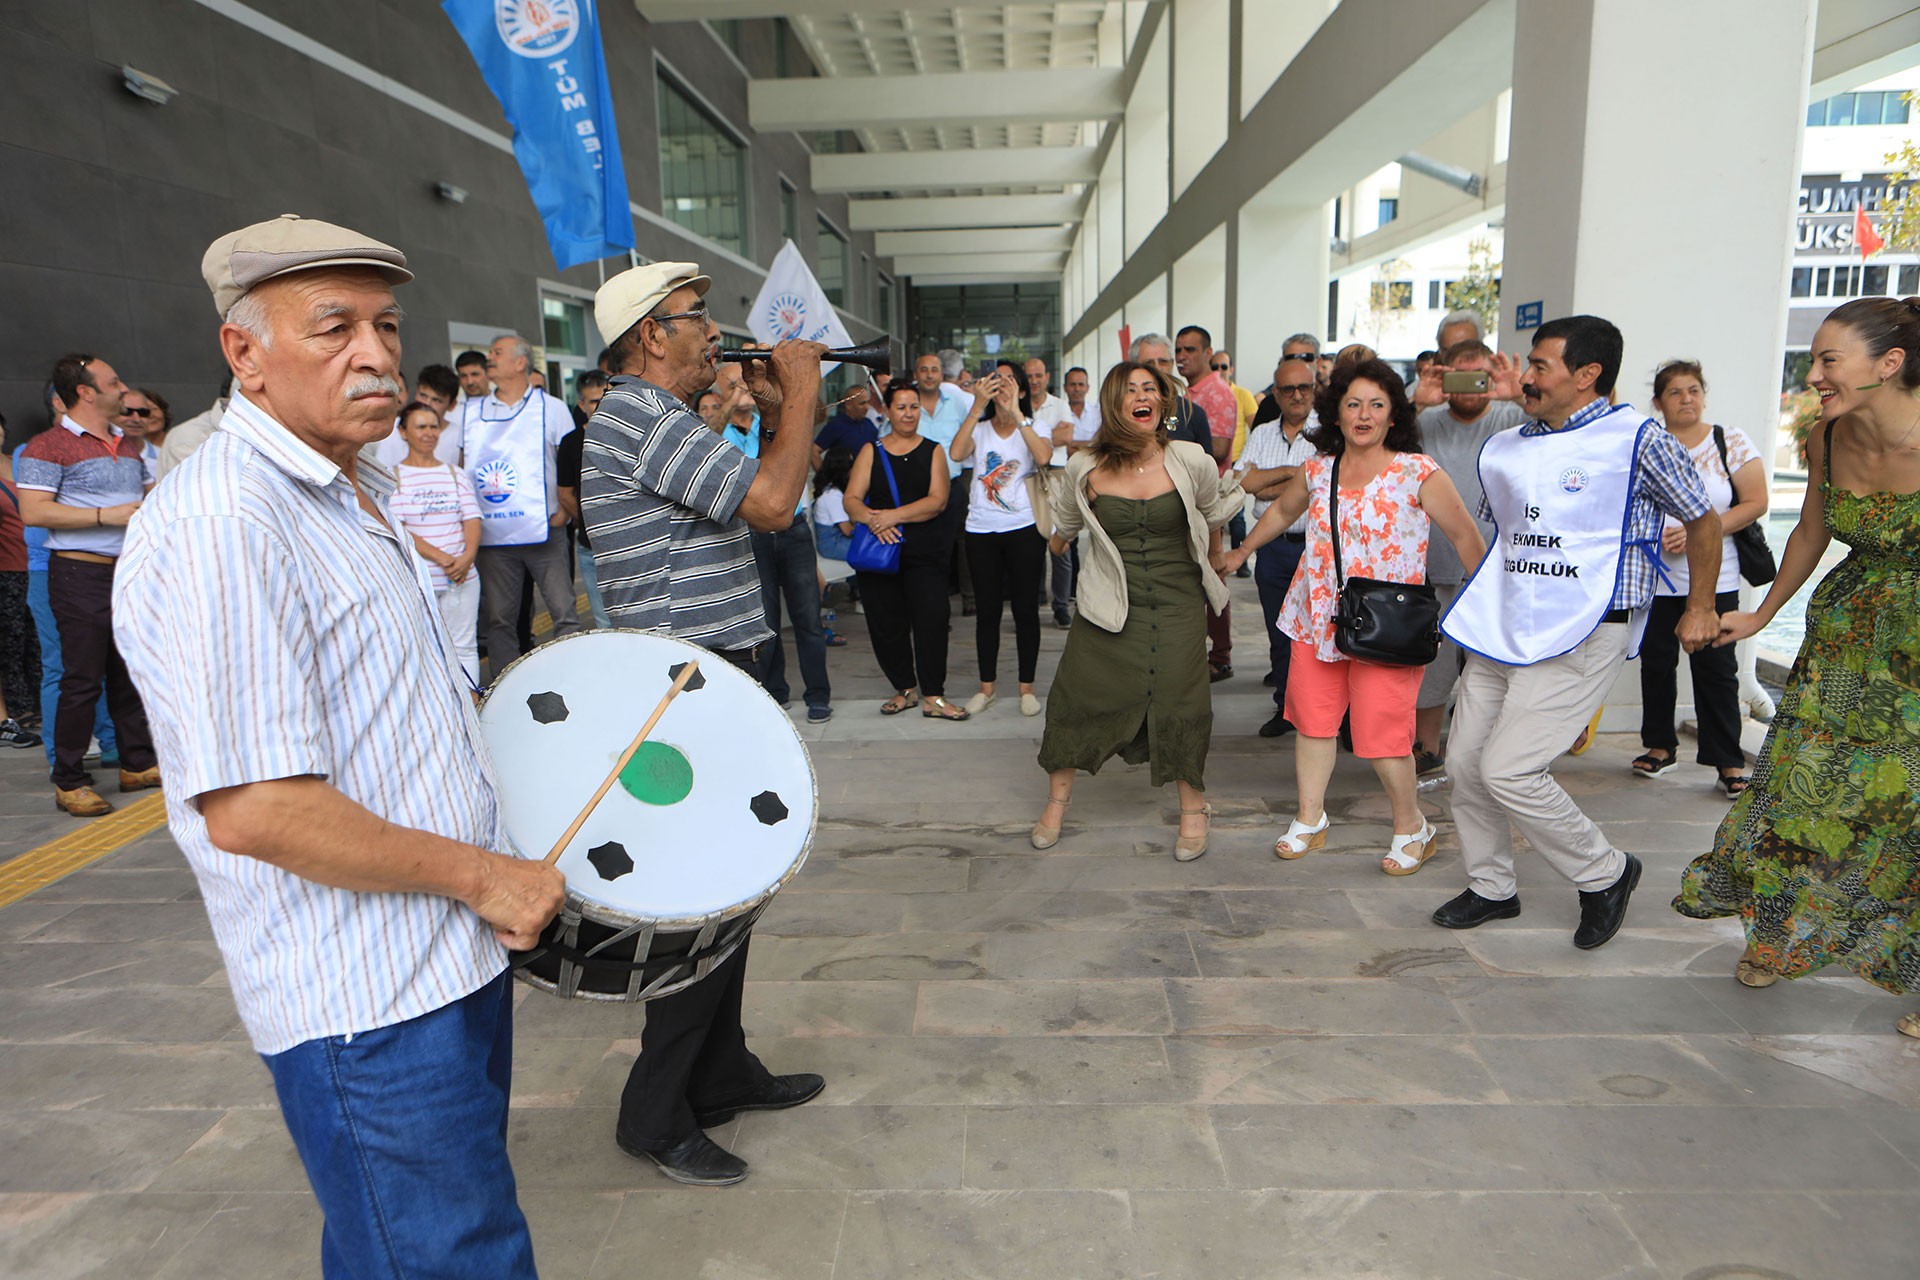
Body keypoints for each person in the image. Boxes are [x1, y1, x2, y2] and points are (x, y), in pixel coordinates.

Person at [114, 213, 565, 1277]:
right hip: (365, 1008)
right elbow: (257, 805)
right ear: (244, 354)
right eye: (332, 328)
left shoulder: (353, 483)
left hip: (446, 960)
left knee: (412, 1246)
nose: (374, 353)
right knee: (451, 1259)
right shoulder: (228, 517)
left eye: (385, 323)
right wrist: (485, 873)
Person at [581, 260, 828, 1186]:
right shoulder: (638, 417)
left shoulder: (666, 421)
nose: (714, 332)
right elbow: (772, 504)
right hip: (683, 688)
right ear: (652, 334)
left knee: (737, 887)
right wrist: (800, 392)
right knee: (697, 901)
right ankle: (653, 1112)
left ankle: (718, 1072)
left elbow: (756, 500)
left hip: (713, 675)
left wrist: (774, 409)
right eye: (697, 318)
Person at [1434, 314, 1721, 949]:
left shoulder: (1638, 440)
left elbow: (1703, 519)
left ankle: (1605, 872)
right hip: (1504, 627)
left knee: (1509, 768)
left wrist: (1700, 604)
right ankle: (1491, 886)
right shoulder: (1512, 441)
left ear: (1588, 375)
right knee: (1464, 763)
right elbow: (1507, 533)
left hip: (1585, 627)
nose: (1525, 377)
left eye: (1540, 366)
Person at [1676, 297, 1920, 1029]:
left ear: (1890, 363)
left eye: (1828, 360)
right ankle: (1777, 938)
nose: (1813, 374)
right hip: (1845, 635)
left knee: (1908, 807)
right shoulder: (1826, 435)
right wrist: (1762, 613)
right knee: (1798, 789)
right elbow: (1812, 531)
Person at [1225, 359, 1486, 874]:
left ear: (1394, 416)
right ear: (1336, 414)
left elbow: (1466, 538)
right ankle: (1309, 818)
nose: (1363, 414)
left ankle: (1413, 826)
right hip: (1317, 614)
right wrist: (1241, 552)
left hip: (1386, 625)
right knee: (1314, 723)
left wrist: (1485, 609)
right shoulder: (1319, 469)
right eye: (1352, 404)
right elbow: (1281, 512)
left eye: (1376, 405)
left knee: (1382, 735)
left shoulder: (1418, 471)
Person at [1034, 361, 1241, 860]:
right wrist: (1057, 541)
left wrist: (1217, 556)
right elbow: (1063, 528)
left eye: (1151, 388)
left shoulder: (1191, 459)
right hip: (1108, 606)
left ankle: (1193, 809)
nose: (1143, 395)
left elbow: (1212, 514)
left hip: (1178, 605)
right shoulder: (1085, 466)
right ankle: (1056, 803)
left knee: (1183, 701)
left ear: (1162, 403)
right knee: (1076, 696)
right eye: (1131, 390)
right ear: (1115, 404)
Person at [16, 353, 161, 816]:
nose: (124, 390)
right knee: (81, 678)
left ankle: (136, 763)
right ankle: (70, 779)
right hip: (78, 572)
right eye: (113, 382)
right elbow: (34, 512)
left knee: (128, 669)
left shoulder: (126, 443)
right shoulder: (47, 445)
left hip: (128, 570)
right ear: (85, 391)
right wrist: (105, 515)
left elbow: (141, 496)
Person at [1634, 359, 1766, 795]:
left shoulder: (1730, 442)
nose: (1686, 399)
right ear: (1658, 402)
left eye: (1693, 390)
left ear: (1704, 395)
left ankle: (1728, 761)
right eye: (1675, 392)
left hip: (1716, 578)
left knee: (1716, 670)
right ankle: (1659, 746)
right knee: (1655, 663)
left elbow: (1755, 502)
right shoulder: (1646, 444)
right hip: (1655, 579)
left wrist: (1697, 531)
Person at [1411, 340, 1527, 773]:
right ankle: (1426, 749)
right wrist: (1415, 404)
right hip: (1433, 565)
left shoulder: (1513, 415)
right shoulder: (1426, 420)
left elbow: (1566, 431)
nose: (1470, 388)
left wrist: (1519, 394)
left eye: (1479, 376)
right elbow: (1383, 443)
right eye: (1458, 376)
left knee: (1496, 664)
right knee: (1433, 663)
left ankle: (1493, 754)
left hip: (1499, 568)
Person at [845, 380, 965, 719]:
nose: (909, 413)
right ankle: (906, 689)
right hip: (880, 553)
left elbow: (937, 501)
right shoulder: (872, 450)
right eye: (901, 407)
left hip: (924, 551)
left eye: (914, 407)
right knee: (886, 623)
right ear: (887, 410)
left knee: (932, 620)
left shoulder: (933, 450)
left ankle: (934, 696)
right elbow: (851, 500)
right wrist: (873, 521)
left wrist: (890, 517)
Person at [463, 333, 580, 674]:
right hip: (494, 538)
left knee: (564, 613)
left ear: (519, 362)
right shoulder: (472, 412)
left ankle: (572, 679)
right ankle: (505, 688)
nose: (489, 357)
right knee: (500, 620)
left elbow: (571, 461)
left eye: (497, 352)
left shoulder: (552, 407)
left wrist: (564, 512)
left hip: (545, 532)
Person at [951, 364, 1052, 717]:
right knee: (987, 612)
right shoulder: (978, 429)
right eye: (997, 379)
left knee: (1026, 610)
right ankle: (987, 688)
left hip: (1024, 528)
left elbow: (1043, 457)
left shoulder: (1034, 426)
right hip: (981, 529)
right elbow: (956, 453)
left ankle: (1027, 688)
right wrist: (977, 406)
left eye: (1010, 380)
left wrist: (1017, 414)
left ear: (1022, 390)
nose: (1003, 385)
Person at [1233, 351, 1320, 737]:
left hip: (1317, 549)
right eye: (1288, 389)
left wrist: (1274, 484)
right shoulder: (1262, 433)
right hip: (1272, 548)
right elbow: (1244, 483)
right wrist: (1295, 474)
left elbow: (1321, 486)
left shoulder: (1329, 432)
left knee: (1321, 633)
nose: (1297, 395)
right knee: (1279, 632)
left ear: (1314, 390)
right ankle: (1285, 707)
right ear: (1277, 393)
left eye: (1304, 387)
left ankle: (1329, 713)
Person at [389, 400, 483, 685]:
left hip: (462, 578)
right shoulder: (393, 477)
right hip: (420, 579)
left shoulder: (455, 474)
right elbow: (397, 528)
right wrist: (443, 559)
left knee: (465, 648)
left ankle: (471, 710)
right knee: (425, 649)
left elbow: (472, 519)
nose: (429, 433)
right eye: (421, 427)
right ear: (403, 432)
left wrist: (466, 558)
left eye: (433, 426)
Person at [556, 370, 612, 629]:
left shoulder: (628, 436)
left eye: (603, 399)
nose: (597, 407)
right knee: (604, 622)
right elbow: (564, 493)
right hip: (590, 546)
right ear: (581, 405)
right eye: (591, 401)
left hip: (631, 546)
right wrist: (590, 520)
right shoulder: (570, 443)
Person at [0, 430, 42, 748]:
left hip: (34, 562)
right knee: (11, 641)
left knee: (34, 639)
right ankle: (18, 708)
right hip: (6, 568)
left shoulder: (18, 461)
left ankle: (36, 704)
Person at [815, 383, 880, 456]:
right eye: (862, 403)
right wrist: (823, 468)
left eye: (868, 402)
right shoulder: (836, 426)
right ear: (848, 405)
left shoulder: (868, 423)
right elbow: (814, 451)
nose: (867, 407)